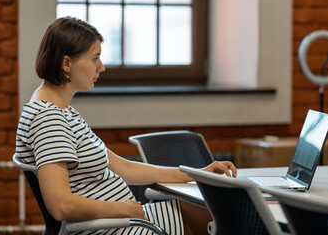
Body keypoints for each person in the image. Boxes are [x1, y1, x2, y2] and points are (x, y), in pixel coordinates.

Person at [15, 17, 237, 235]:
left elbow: (126, 168)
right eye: (95, 58)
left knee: (217, 214)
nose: (101, 67)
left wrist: (197, 174)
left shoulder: (62, 111)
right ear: (66, 63)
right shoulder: (48, 118)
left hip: (119, 221)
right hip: (109, 227)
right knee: (228, 220)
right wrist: (121, 209)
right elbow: (60, 205)